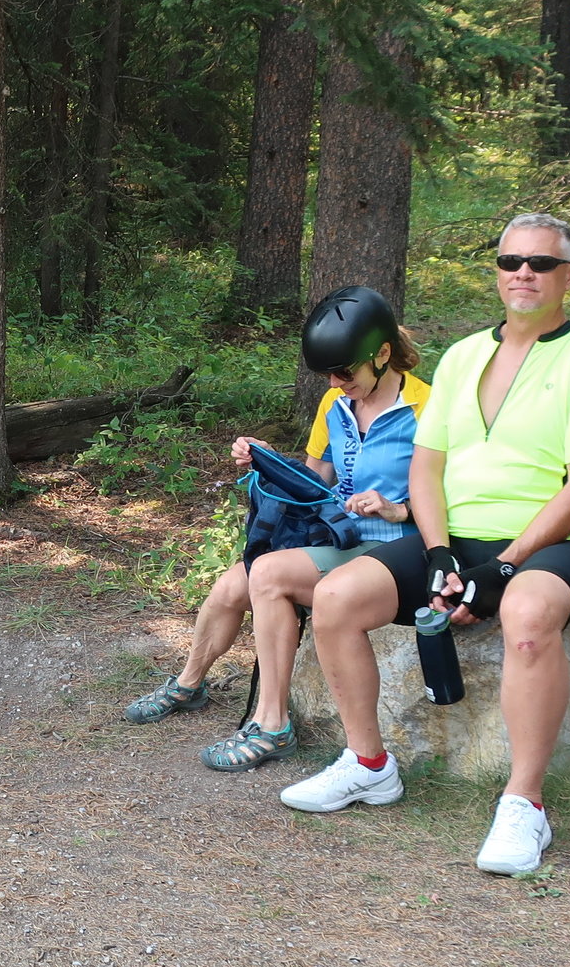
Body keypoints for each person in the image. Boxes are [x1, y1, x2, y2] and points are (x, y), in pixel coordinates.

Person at [283, 213, 570, 876]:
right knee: (336, 597)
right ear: (497, 272)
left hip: (559, 542)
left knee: (526, 615)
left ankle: (524, 803)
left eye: (541, 263)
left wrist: (504, 566)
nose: (523, 273)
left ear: (569, 276)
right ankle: (368, 764)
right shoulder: (464, 355)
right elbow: (427, 466)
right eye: (510, 261)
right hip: (456, 535)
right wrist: (440, 551)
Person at [122, 288, 431, 773]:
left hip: (388, 548)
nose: (335, 382)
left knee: (266, 575)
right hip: (336, 537)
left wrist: (399, 509)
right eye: (327, 374)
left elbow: (452, 500)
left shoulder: (427, 409)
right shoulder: (335, 404)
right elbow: (314, 481)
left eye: (344, 371)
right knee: (231, 586)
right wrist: (267, 462)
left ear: (383, 354)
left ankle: (271, 724)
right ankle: (188, 684)